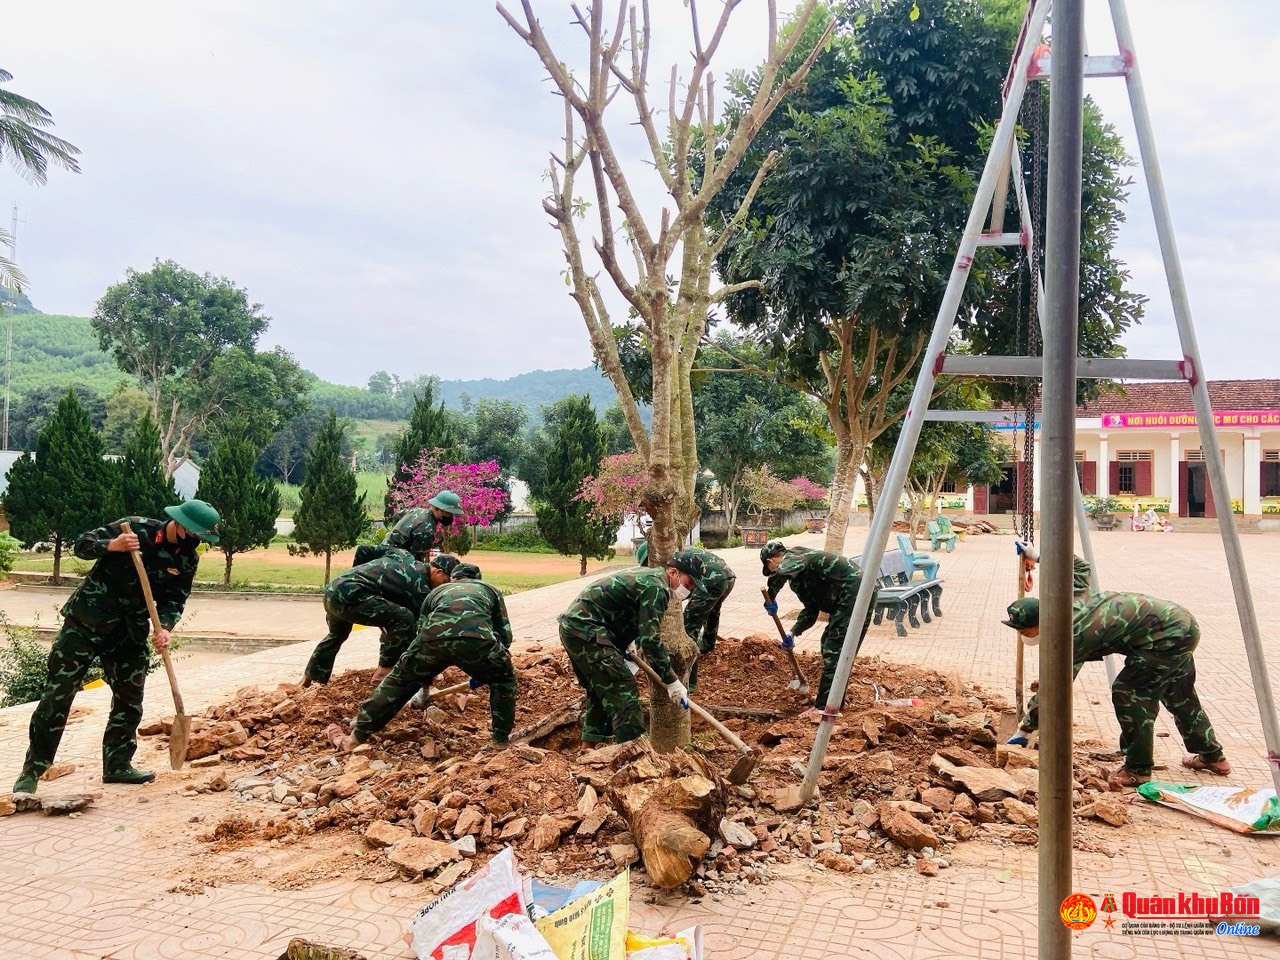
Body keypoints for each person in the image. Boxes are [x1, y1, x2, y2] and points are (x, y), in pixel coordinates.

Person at [11, 500, 221, 795]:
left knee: (130, 698)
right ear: (181, 525)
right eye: (197, 533)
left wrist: (165, 628)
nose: (198, 540)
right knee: (58, 694)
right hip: (86, 622)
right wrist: (112, 545)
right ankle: (33, 770)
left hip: (129, 631)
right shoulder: (133, 528)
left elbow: (175, 599)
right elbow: (81, 545)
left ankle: (118, 764)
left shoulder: (187, 558)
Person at [1002, 594, 1231, 788]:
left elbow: (1054, 686)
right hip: (1180, 621)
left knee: (1130, 694)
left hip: (1166, 636)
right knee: (1179, 694)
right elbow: (1080, 569)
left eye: (1025, 631)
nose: (1021, 636)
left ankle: (1137, 770)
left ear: (1042, 621)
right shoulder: (1065, 606)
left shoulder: (1073, 634)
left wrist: (1026, 728)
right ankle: (1212, 756)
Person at [326, 562, 516, 752]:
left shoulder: (436, 592)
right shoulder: (490, 590)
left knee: (397, 683)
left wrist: (422, 685)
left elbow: (422, 630)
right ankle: (500, 742)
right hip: (478, 642)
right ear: (478, 579)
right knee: (505, 681)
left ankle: (354, 739)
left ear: (453, 578)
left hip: (431, 641)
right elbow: (505, 636)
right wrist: (489, 669)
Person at [557, 560, 697, 744]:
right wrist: (671, 680)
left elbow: (626, 610)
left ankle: (591, 744)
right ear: (672, 572)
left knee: (603, 687)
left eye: (691, 589)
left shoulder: (649, 577)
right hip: (587, 630)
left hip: (576, 627)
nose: (687, 591)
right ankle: (636, 750)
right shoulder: (656, 588)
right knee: (623, 687)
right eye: (687, 584)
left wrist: (626, 641)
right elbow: (650, 640)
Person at [302, 551, 458, 687]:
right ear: (437, 572)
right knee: (404, 618)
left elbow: (364, 550)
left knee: (337, 634)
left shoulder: (403, 555)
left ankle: (309, 679)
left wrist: (359, 574)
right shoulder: (420, 589)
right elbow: (419, 632)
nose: (442, 588)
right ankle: (384, 672)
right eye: (445, 582)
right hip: (353, 596)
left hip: (334, 590)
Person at [760, 540, 874, 712]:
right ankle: (833, 699)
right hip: (847, 600)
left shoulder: (795, 555)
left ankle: (824, 708)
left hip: (855, 593)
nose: (772, 572)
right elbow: (811, 610)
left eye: (770, 569)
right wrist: (792, 633)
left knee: (834, 650)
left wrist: (771, 596)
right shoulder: (798, 578)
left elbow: (780, 572)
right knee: (829, 644)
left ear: (771, 561)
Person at [636, 542, 736, 690]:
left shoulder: (674, 560)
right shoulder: (677, 551)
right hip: (728, 577)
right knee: (713, 612)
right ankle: (708, 646)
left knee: (689, 629)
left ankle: (691, 681)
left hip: (711, 580)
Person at [354, 491, 467, 565]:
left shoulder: (417, 511)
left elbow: (398, 515)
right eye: (449, 513)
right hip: (394, 560)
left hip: (385, 550)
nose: (451, 517)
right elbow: (415, 562)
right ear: (438, 509)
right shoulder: (426, 530)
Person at [1015, 541, 1093, 596]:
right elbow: (1082, 565)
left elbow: (1082, 566)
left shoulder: (1061, 605)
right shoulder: (1079, 594)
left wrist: (1038, 558)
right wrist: (1036, 557)